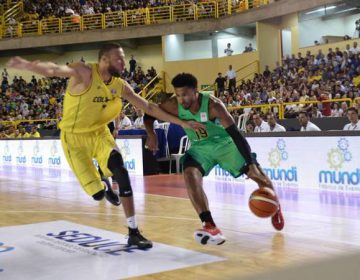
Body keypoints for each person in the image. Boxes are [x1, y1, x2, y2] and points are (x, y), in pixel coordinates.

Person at [7, 44, 204, 249]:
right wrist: (27, 64)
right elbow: (53, 70)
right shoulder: (84, 72)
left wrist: (182, 122)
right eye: (119, 59)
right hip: (74, 140)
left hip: (100, 134)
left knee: (122, 172)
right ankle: (103, 186)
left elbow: (148, 106)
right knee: (98, 195)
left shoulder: (119, 85)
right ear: (104, 60)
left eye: (123, 58)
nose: (124, 63)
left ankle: (133, 232)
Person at [144, 73, 284, 246]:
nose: (181, 99)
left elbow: (236, 135)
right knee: (189, 174)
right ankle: (209, 224)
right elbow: (148, 115)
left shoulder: (213, 105)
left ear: (195, 91)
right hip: (200, 147)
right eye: (178, 95)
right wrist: (151, 133)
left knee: (259, 176)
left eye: (185, 94)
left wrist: (251, 163)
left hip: (225, 144)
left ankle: (275, 205)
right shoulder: (172, 104)